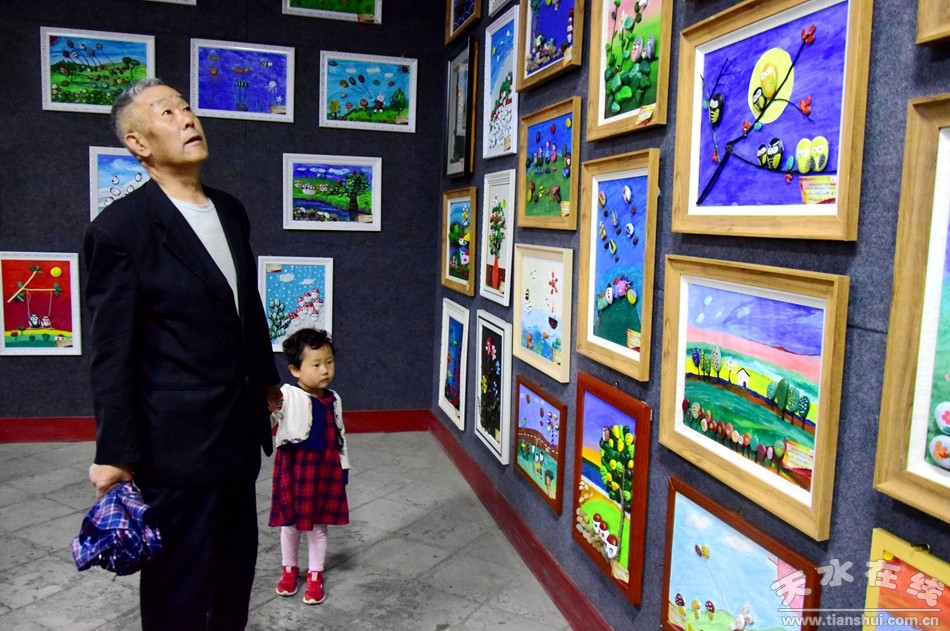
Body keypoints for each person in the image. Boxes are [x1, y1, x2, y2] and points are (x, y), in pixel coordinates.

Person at [82, 77, 282, 630]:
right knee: (179, 588)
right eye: (166, 112)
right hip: (175, 447)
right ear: (137, 143)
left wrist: (266, 381)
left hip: (237, 433)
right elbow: (112, 353)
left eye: (187, 108)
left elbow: (244, 305)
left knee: (234, 575)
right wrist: (115, 452)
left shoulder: (231, 210)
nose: (188, 118)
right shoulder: (119, 231)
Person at [269, 328, 350, 605]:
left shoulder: (334, 399)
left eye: (329, 362)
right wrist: (267, 407)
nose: (325, 370)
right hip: (294, 469)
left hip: (325, 469)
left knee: (318, 525)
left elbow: (340, 436)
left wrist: (344, 467)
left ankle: (316, 574)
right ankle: (289, 569)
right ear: (295, 369)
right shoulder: (286, 395)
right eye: (316, 364)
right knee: (290, 524)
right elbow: (269, 420)